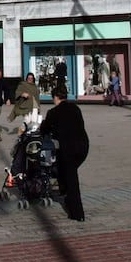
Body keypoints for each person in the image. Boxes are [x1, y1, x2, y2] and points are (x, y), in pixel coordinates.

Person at [39, 83, 89, 222]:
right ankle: (64, 191)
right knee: (63, 168)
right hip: (83, 146)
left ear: (56, 97)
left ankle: (77, 213)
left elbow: (44, 128)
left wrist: (43, 128)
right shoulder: (75, 108)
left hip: (69, 148)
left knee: (72, 178)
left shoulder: (54, 112)